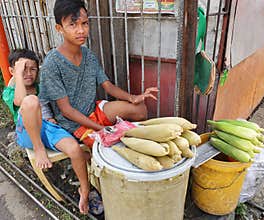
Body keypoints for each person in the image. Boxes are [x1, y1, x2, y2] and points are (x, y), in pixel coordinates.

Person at [39, 0, 158, 147]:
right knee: (108, 146)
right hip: (73, 124)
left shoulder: (88, 55)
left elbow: (107, 86)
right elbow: (67, 111)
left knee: (140, 109)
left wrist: (133, 97)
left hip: (93, 111)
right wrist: (103, 129)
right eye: (72, 25)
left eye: (85, 23)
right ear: (59, 28)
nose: (81, 30)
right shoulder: (52, 63)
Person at [2, 49, 90, 214]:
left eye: (32, 69)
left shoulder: (41, 88)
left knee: (75, 149)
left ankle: (84, 191)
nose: (28, 73)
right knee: (30, 101)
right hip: (27, 132)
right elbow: (21, 101)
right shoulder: (10, 92)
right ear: (13, 71)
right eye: (23, 69)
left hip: (48, 128)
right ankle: (39, 148)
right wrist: (18, 76)